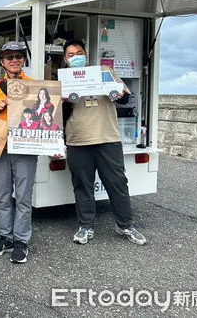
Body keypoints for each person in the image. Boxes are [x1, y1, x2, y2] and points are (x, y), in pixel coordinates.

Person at [62, 39, 147, 246]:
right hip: (78, 139)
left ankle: (125, 224)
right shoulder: (62, 81)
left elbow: (125, 98)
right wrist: (62, 102)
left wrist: (118, 95)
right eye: (71, 55)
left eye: (79, 53)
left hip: (107, 137)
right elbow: (56, 113)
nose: (76, 57)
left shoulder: (104, 72)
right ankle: (85, 226)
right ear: (65, 59)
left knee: (117, 183)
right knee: (82, 185)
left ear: (86, 53)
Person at [0, 41, 38, 263]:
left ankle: (21, 241)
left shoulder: (35, 85)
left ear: (23, 59)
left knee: (23, 196)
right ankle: (6, 236)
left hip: (25, 147)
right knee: (3, 195)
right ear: (2, 62)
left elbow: (45, 112)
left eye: (18, 55)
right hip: (1, 148)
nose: (14, 60)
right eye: (9, 57)